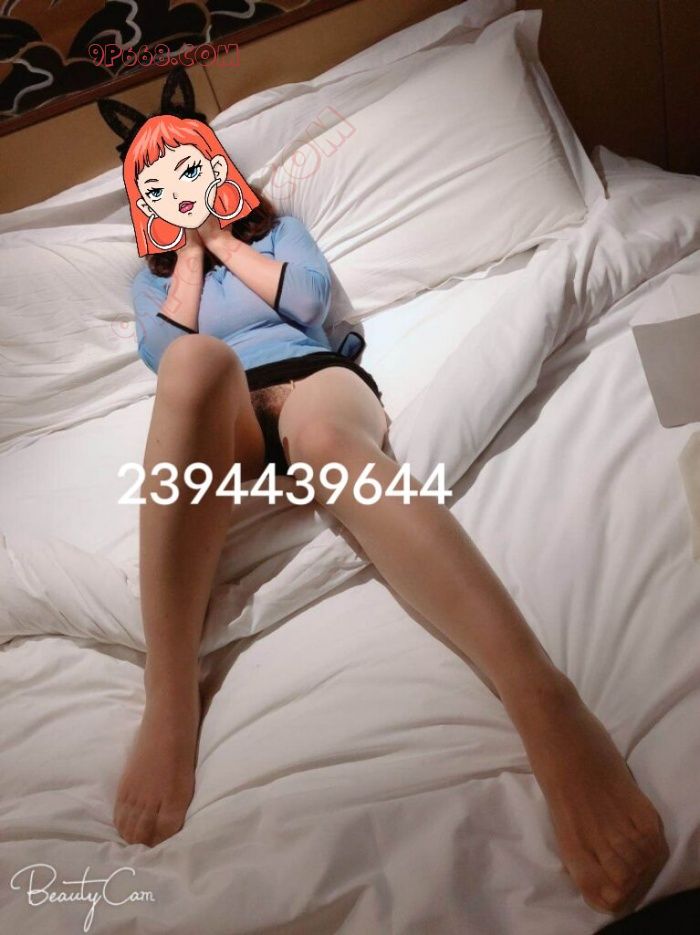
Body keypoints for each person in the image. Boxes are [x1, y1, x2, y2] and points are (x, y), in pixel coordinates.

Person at [111, 88, 668, 920]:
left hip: (312, 378)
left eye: (189, 172)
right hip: (222, 411)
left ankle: (540, 695)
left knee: (327, 444)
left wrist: (222, 236)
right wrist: (185, 256)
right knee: (196, 365)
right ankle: (169, 691)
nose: (178, 193)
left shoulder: (279, 232)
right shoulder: (147, 284)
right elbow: (166, 353)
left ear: (217, 168)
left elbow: (308, 304)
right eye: (157, 189)